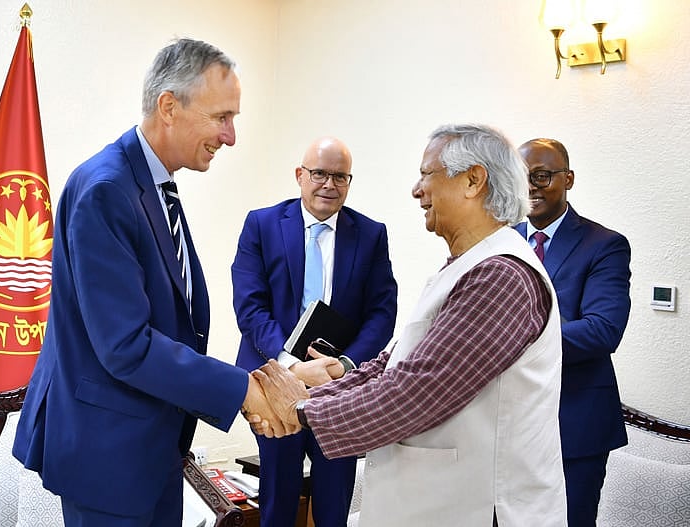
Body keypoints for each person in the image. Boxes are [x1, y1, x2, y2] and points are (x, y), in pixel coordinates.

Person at [12, 38, 287, 527]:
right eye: (222, 117)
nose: (230, 136)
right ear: (169, 107)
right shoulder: (106, 190)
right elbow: (126, 345)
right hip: (107, 460)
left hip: (153, 451)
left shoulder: (154, 184)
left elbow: (173, 322)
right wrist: (242, 391)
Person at [248, 124, 569, 526]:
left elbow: (418, 389)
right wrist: (323, 384)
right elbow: (394, 363)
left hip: (481, 509)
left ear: (473, 181)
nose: (417, 190)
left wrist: (301, 410)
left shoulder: (501, 276)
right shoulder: (469, 266)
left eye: (427, 175)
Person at [231, 136, 398, 527]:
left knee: (333, 502)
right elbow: (251, 307)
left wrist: (345, 364)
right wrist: (291, 368)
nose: (329, 184)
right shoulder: (262, 224)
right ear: (300, 175)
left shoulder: (371, 234)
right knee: (278, 497)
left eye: (340, 176)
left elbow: (381, 312)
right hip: (273, 385)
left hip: (339, 388)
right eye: (320, 173)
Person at [515, 138, 631, 527]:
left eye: (542, 176)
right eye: (521, 177)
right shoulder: (498, 240)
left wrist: (514, 342)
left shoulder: (605, 245)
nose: (530, 186)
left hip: (574, 425)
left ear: (569, 179)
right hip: (506, 426)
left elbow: (603, 330)